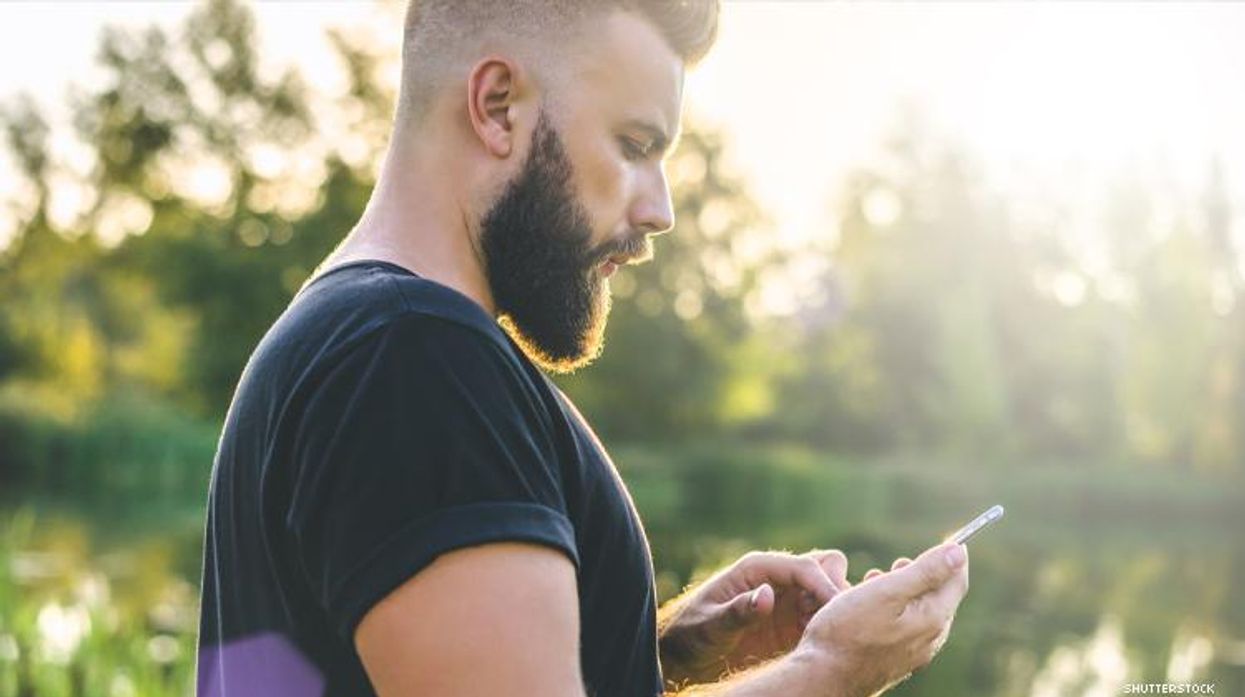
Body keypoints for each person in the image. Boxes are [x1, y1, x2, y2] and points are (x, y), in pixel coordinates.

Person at [194, 1, 971, 695]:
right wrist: (828, 671)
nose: (659, 208)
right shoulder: (414, 361)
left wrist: (655, 646)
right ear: (498, 105)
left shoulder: (357, 331)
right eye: (634, 144)